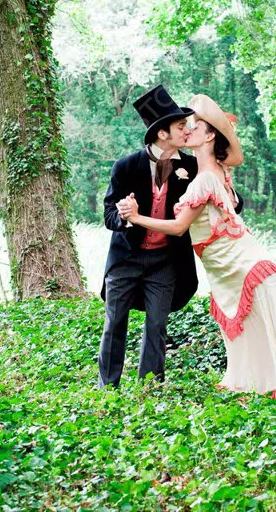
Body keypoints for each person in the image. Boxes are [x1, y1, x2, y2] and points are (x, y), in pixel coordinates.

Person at [118, 93, 276, 399]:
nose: (187, 130)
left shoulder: (205, 181)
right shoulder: (214, 174)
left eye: (195, 127)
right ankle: (252, 380)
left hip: (237, 259)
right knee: (254, 319)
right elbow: (226, 167)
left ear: (210, 135)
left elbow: (178, 227)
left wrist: (136, 217)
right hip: (223, 263)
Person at [98, 85, 242, 388]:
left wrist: (230, 196)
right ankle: (107, 387)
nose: (186, 130)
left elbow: (221, 183)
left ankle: (150, 385)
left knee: (157, 324)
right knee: (115, 323)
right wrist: (125, 216)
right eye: (180, 126)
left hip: (165, 260)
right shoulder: (125, 166)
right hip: (125, 258)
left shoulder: (192, 166)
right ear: (162, 134)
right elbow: (109, 215)